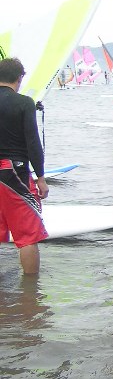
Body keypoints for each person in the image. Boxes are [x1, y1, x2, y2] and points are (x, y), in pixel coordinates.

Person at [0, 57, 49, 275]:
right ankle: (31, 291)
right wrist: (41, 178)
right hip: (13, 172)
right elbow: (33, 142)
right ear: (19, 78)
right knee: (27, 235)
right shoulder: (24, 103)